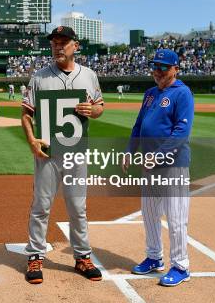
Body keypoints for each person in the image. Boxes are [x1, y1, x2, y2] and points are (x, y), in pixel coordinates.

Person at [20, 26, 104, 284]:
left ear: (75, 46)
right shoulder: (39, 77)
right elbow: (26, 115)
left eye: (63, 42)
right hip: (48, 152)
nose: (58, 46)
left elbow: (100, 106)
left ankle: (82, 256)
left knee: (78, 207)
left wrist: (92, 110)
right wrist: (32, 140)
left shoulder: (88, 75)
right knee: (41, 206)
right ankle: (35, 254)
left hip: (76, 152)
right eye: (54, 42)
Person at [122, 48, 194, 287]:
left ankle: (181, 266)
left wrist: (158, 156)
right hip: (149, 166)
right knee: (150, 214)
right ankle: (154, 257)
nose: (158, 71)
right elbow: (138, 125)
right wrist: (129, 152)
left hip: (173, 166)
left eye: (164, 67)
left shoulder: (182, 93)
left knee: (176, 218)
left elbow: (181, 132)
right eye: (155, 66)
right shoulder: (150, 94)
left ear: (175, 69)